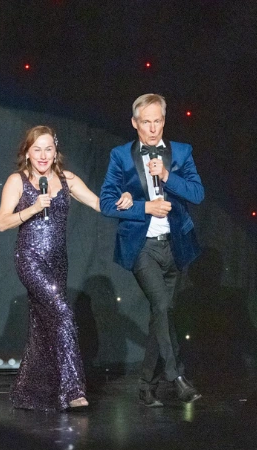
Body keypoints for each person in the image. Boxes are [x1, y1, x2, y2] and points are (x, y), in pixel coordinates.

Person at [0, 125, 132, 411]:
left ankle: (32, 390)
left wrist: (123, 202)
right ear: (27, 153)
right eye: (37, 149)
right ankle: (73, 390)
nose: (43, 155)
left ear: (55, 151)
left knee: (44, 324)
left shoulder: (67, 179)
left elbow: (98, 203)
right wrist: (33, 208)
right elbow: (2, 222)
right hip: (30, 258)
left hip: (58, 261)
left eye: (48, 149)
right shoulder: (17, 181)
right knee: (64, 314)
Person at [99, 94, 204, 406]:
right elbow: (106, 203)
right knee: (161, 306)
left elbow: (197, 193)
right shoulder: (121, 156)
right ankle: (176, 377)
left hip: (175, 245)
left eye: (158, 121)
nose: (153, 128)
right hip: (142, 246)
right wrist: (144, 207)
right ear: (135, 123)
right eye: (147, 122)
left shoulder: (181, 152)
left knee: (162, 314)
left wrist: (168, 176)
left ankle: (146, 386)